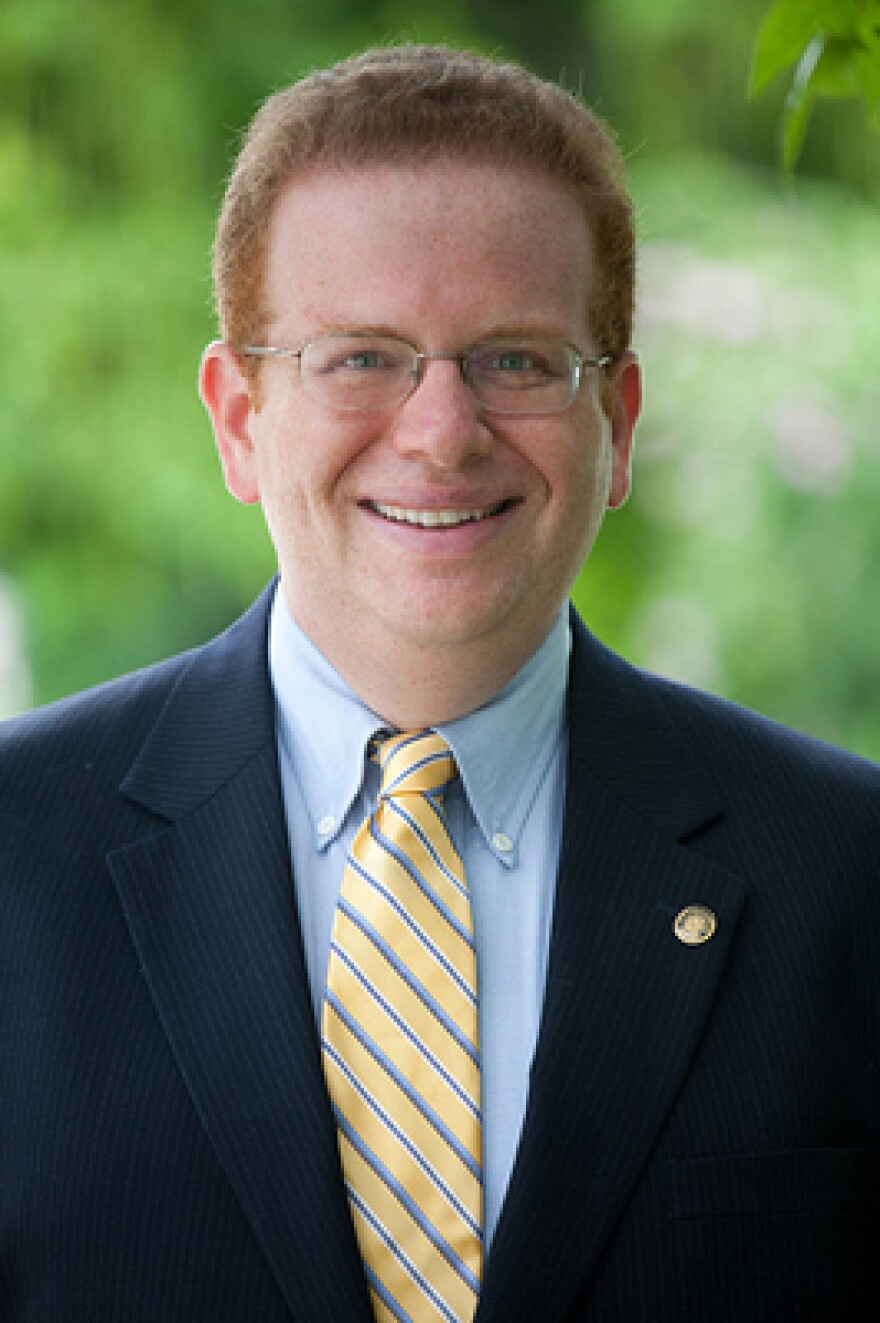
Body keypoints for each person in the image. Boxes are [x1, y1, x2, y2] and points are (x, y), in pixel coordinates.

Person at [1, 43, 878, 1323]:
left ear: (617, 424)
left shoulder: (846, 877)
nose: (440, 429)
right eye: (359, 357)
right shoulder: (15, 859)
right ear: (239, 420)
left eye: (517, 360)